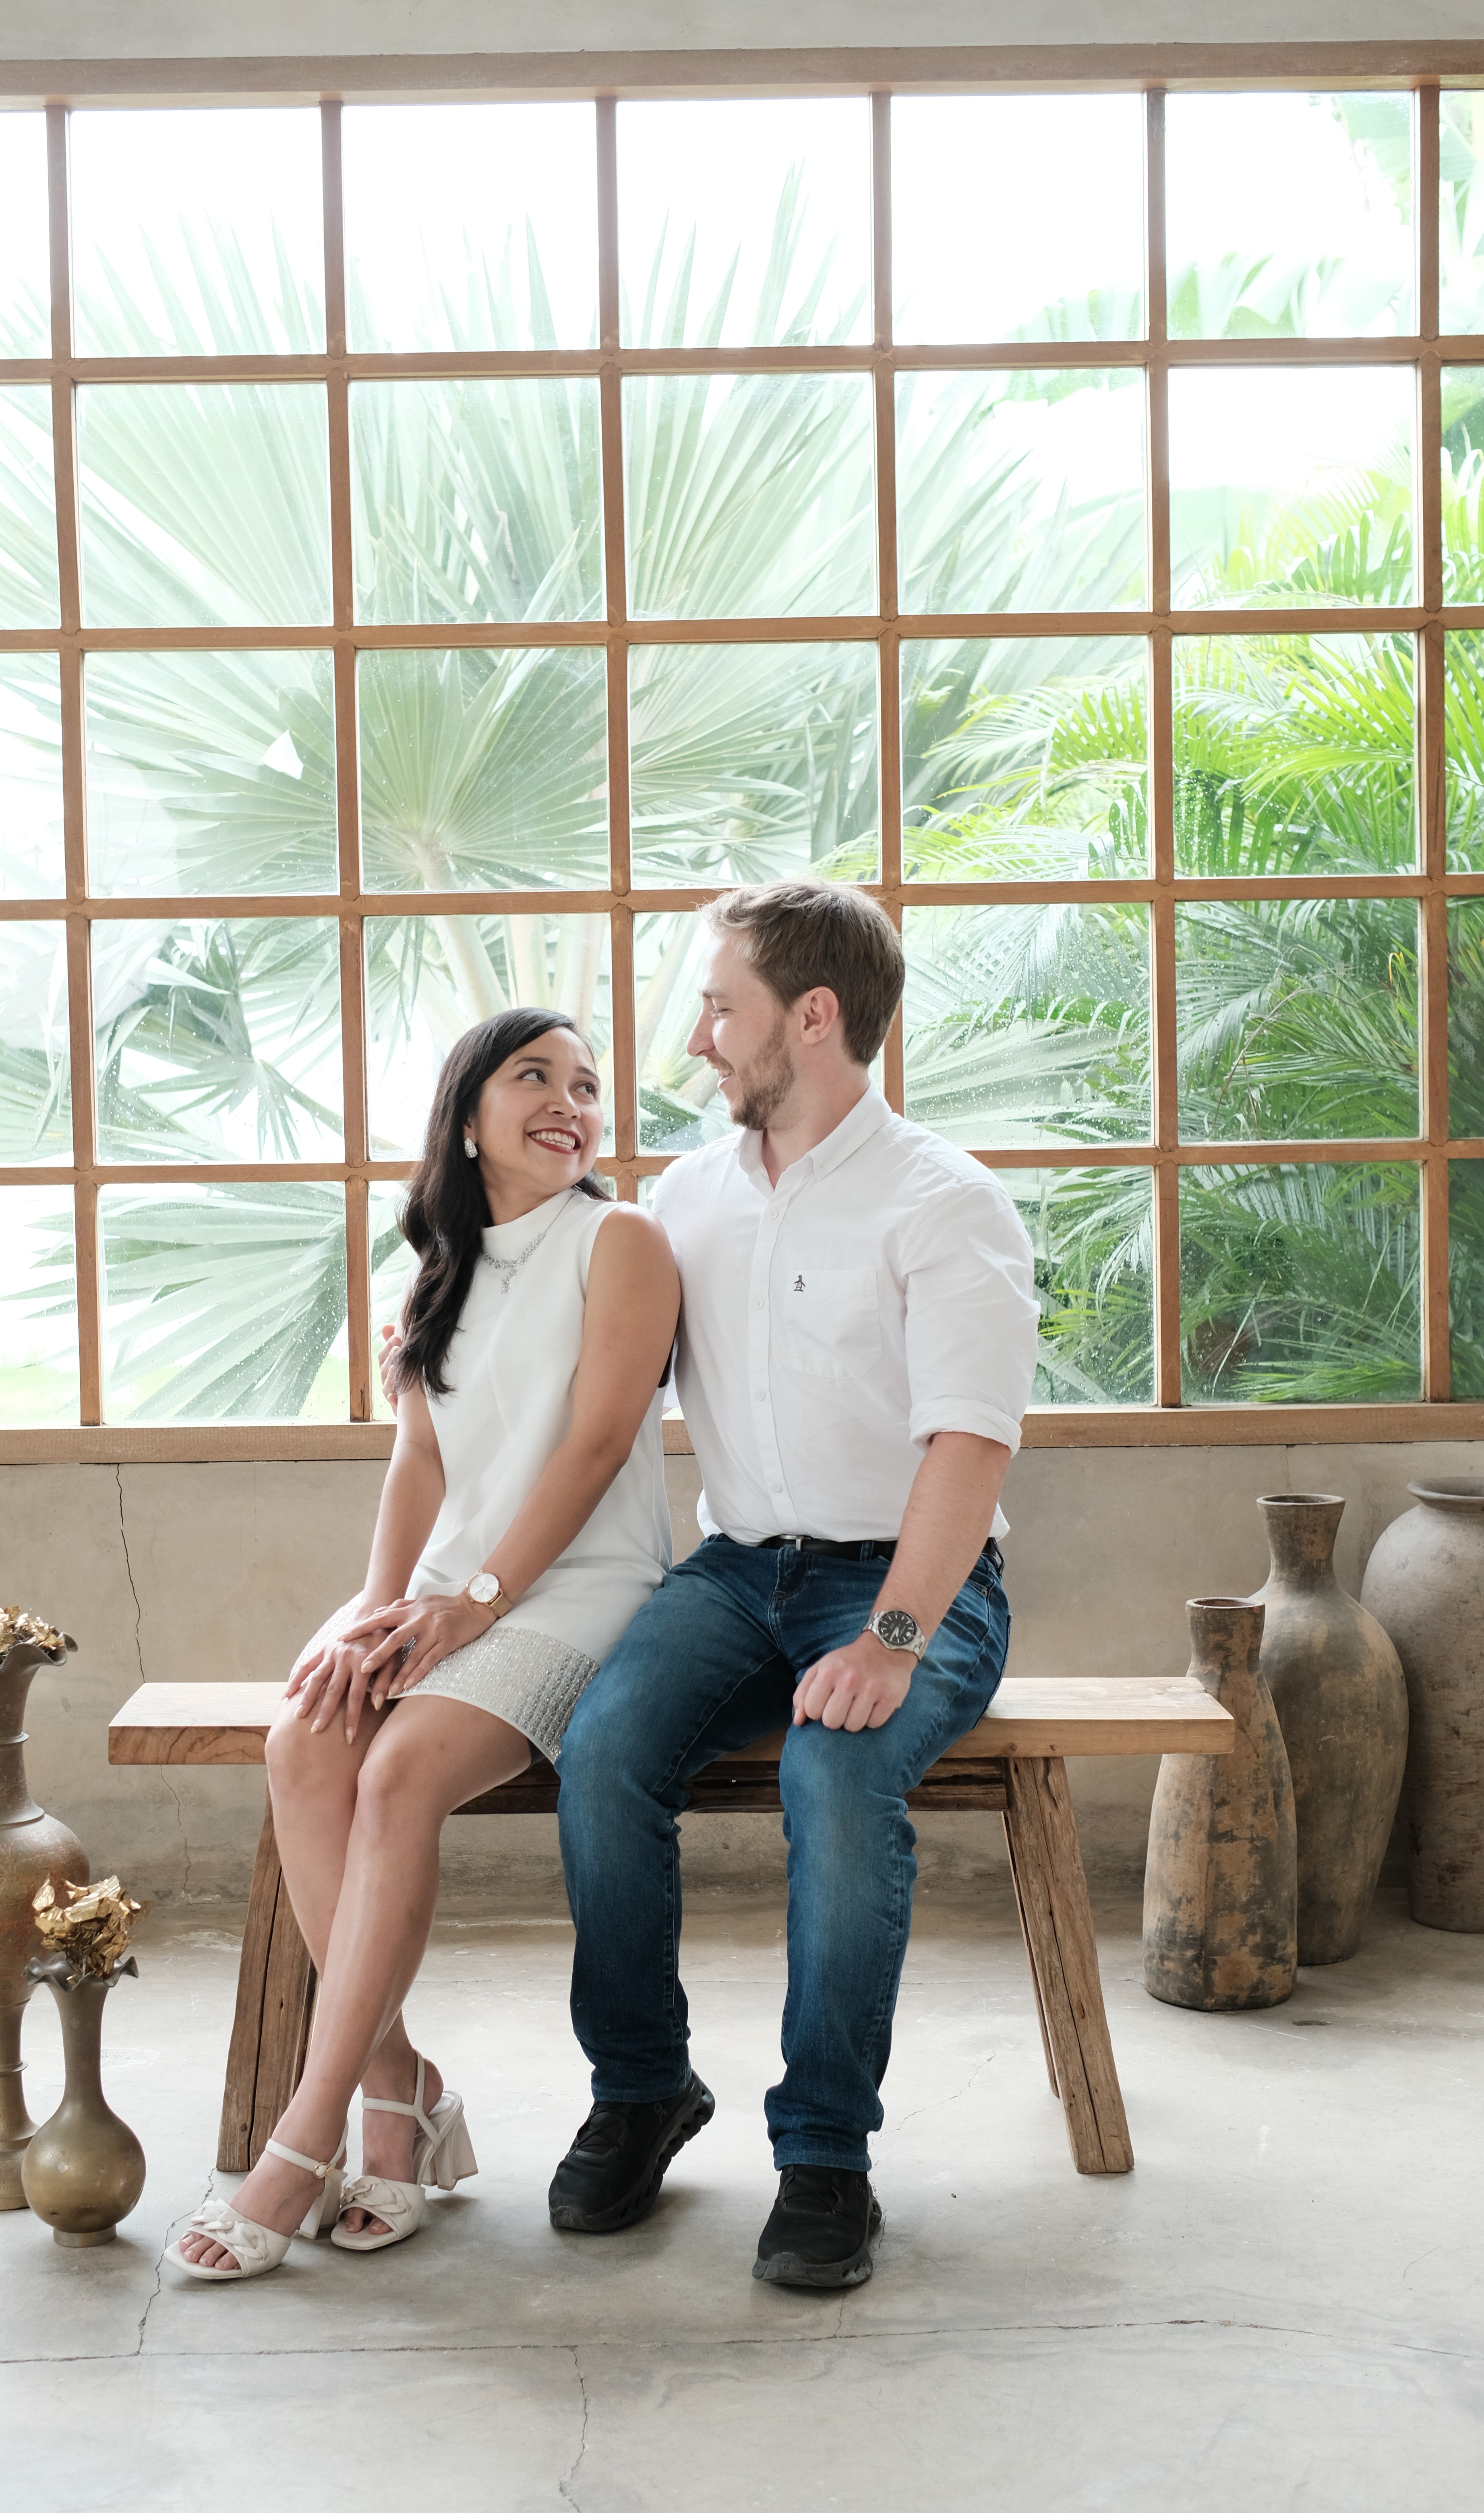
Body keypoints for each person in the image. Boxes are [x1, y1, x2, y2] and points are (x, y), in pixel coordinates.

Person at [550, 880, 1039, 2290]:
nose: (699, 1038)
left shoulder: (944, 1204)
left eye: (723, 1008)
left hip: (909, 1578)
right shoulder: (687, 1202)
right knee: (604, 1752)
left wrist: (893, 1637)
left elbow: (971, 1441)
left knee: (835, 1776)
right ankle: (642, 2091)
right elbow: (579, 1374)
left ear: (812, 1019)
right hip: (735, 1569)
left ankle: (826, 2158)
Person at [168, 1006, 679, 2282]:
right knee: (308, 1740)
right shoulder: (441, 1271)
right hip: (455, 1587)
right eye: (536, 1077)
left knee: (396, 1777)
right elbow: (418, 1461)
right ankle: (399, 2090)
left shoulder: (620, 1241)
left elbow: (599, 1444)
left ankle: (303, 2138)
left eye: (587, 1084)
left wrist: (481, 1598)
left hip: (583, 1588)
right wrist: (369, 1609)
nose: (572, 1101)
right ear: (467, 1116)